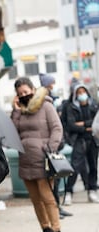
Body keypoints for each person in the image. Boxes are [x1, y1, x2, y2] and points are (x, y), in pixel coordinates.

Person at [11, 77, 63, 232]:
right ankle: (45, 230)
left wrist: (49, 148)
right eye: (20, 94)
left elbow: (57, 128)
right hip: (25, 160)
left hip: (43, 160)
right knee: (35, 200)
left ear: (33, 89)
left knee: (48, 198)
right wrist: (16, 111)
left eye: (26, 92)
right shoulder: (21, 111)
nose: (24, 95)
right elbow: (13, 132)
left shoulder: (46, 105)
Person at [39, 73, 73, 218]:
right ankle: (54, 210)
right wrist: (51, 147)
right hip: (47, 151)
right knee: (50, 183)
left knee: (56, 180)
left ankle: (57, 207)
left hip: (54, 148)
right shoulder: (44, 103)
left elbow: (57, 127)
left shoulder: (52, 102)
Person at [62, 83, 99, 205]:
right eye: (79, 92)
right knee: (75, 166)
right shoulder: (71, 107)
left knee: (93, 166)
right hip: (78, 139)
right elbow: (71, 125)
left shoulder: (94, 105)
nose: (82, 95)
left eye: (83, 92)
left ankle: (92, 190)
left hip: (93, 139)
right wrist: (87, 127)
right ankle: (69, 192)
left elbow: (96, 123)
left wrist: (82, 124)